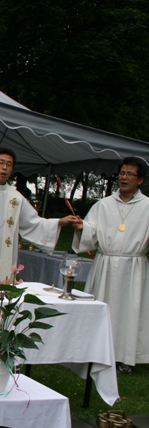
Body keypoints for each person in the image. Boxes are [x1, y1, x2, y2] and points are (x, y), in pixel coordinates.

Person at [0, 148, 81, 280]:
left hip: (5, 253)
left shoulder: (16, 198)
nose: (4, 167)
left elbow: (33, 222)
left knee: (3, 290)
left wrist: (60, 222)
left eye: (9, 164)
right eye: (1, 162)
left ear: (12, 169)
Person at [73, 157, 149, 374]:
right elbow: (91, 233)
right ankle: (96, 353)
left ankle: (126, 356)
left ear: (140, 179)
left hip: (134, 266)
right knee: (103, 307)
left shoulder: (147, 206)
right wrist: (81, 227)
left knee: (131, 310)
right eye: (122, 173)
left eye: (130, 174)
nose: (124, 178)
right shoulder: (103, 204)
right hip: (105, 263)